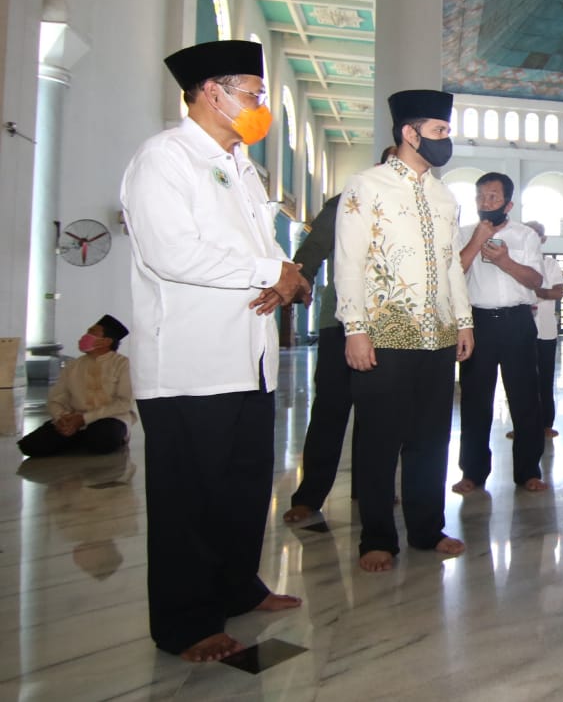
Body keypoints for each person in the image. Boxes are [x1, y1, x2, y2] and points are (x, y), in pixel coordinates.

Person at [121, 39, 308, 662]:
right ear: (212, 92)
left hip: (247, 360)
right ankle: (186, 623)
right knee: (189, 500)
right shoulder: (164, 159)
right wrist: (270, 270)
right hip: (189, 365)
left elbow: (260, 255)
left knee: (243, 488)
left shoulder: (241, 164)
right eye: (253, 95)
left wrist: (281, 278)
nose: (259, 106)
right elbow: (170, 254)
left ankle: (237, 586)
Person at [335, 89, 474, 572]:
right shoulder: (366, 186)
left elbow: (452, 266)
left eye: (447, 132)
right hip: (384, 333)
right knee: (378, 439)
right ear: (409, 133)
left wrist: (464, 319)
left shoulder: (444, 194)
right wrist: (355, 328)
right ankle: (376, 537)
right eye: (438, 132)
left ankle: (425, 528)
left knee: (432, 438)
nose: (445, 141)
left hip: (436, 336)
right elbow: (349, 259)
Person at [282, 146, 396, 524]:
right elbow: (315, 246)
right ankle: (310, 495)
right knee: (331, 409)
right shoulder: (348, 197)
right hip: (343, 322)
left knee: (379, 415)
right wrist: (300, 279)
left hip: (392, 327)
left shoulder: (415, 204)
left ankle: (371, 490)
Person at [453, 172, 548, 494]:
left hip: (517, 321)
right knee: (475, 400)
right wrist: (477, 241)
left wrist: (505, 261)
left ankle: (528, 471)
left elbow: (536, 281)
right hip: (477, 323)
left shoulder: (525, 236)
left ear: (508, 203)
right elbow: (453, 274)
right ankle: (473, 472)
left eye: (493, 196)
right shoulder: (464, 233)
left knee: (524, 399)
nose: (485, 202)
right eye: (480, 196)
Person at [18, 315, 134, 457]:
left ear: (107, 341)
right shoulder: (73, 365)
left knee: (102, 437)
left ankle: (77, 438)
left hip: (111, 419)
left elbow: (124, 403)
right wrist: (62, 418)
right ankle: (76, 435)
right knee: (30, 446)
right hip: (74, 418)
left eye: (92, 333)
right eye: (87, 332)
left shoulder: (122, 364)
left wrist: (84, 419)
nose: (85, 336)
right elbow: (56, 398)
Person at [526, 220, 563, 438]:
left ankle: (546, 424)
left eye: (537, 233)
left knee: (545, 378)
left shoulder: (549, 264)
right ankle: (524, 425)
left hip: (546, 331)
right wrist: (541, 291)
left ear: (543, 239)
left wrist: (531, 289)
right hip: (520, 331)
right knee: (521, 381)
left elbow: (557, 293)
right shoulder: (513, 262)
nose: (532, 236)